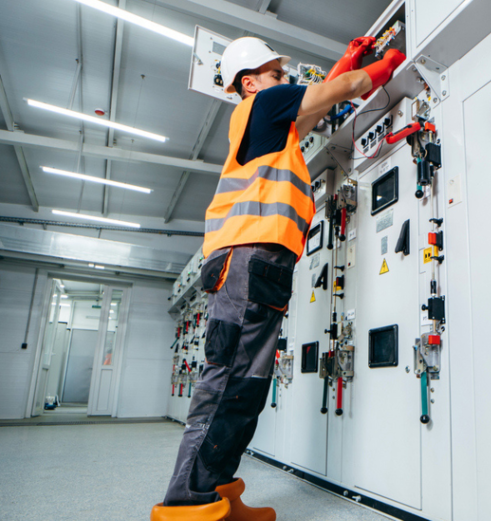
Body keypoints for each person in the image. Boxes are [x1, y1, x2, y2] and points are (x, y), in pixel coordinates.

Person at [150, 37, 406, 521]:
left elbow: (315, 108)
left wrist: (347, 64)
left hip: (257, 261)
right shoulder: (262, 104)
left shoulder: (271, 127)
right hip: (249, 257)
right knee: (228, 381)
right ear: (251, 82)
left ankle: (215, 491)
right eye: (275, 73)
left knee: (246, 384)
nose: (284, 81)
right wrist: (387, 66)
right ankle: (185, 503)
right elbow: (345, 90)